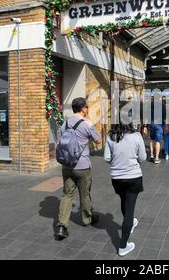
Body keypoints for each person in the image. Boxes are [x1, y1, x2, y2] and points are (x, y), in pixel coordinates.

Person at [55, 97, 101, 240]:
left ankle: (62, 226)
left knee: (67, 194)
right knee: (84, 194)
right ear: (83, 109)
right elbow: (98, 140)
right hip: (82, 166)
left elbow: (59, 138)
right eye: (87, 107)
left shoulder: (66, 122)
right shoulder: (87, 124)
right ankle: (86, 219)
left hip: (67, 165)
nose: (87, 109)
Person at [104, 123, 146, 256]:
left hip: (117, 178)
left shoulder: (111, 136)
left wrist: (117, 163)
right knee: (130, 209)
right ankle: (123, 246)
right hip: (133, 177)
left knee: (124, 200)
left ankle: (130, 222)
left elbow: (106, 158)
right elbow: (143, 158)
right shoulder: (136, 136)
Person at [149, 92, 164, 164]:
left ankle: (151, 156)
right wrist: (166, 126)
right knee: (158, 141)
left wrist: (145, 126)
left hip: (151, 124)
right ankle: (157, 158)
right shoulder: (162, 105)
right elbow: (164, 117)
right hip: (159, 125)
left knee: (152, 140)